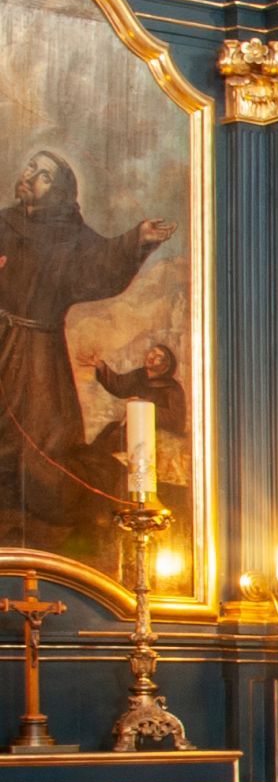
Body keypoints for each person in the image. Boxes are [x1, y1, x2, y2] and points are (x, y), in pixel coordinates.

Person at [0, 151, 174, 546]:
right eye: (31, 168)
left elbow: (100, 266)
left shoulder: (69, 234)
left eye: (44, 176)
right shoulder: (4, 221)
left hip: (38, 357)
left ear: (59, 192)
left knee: (43, 448)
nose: (30, 176)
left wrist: (136, 240)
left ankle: (76, 498)